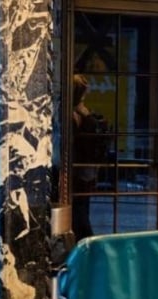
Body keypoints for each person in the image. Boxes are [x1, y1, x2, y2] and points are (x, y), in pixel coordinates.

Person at [71, 74, 100, 241]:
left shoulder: (78, 112)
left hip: (81, 166)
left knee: (80, 206)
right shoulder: (78, 113)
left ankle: (84, 239)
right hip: (80, 167)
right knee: (80, 208)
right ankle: (86, 240)